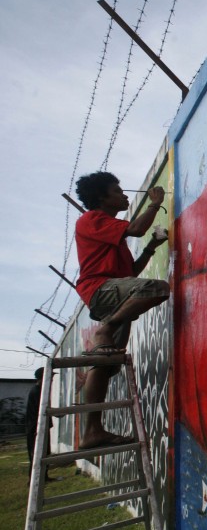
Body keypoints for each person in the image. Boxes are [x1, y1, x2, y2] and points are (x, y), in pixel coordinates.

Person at [74, 171, 169, 449]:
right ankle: (105, 328)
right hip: (101, 291)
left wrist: (152, 246)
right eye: (117, 191)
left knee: (105, 365)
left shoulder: (111, 234)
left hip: (112, 294)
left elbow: (131, 272)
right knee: (158, 288)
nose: (125, 195)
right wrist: (155, 203)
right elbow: (137, 228)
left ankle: (92, 432)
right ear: (102, 197)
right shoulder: (91, 220)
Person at [24, 368, 53, 479]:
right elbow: (40, 411)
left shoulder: (40, 391)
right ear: (43, 377)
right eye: (51, 377)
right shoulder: (37, 392)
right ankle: (34, 480)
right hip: (36, 428)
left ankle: (43, 477)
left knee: (44, 452)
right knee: (36, 454)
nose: (51, 380)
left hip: (40, 427)